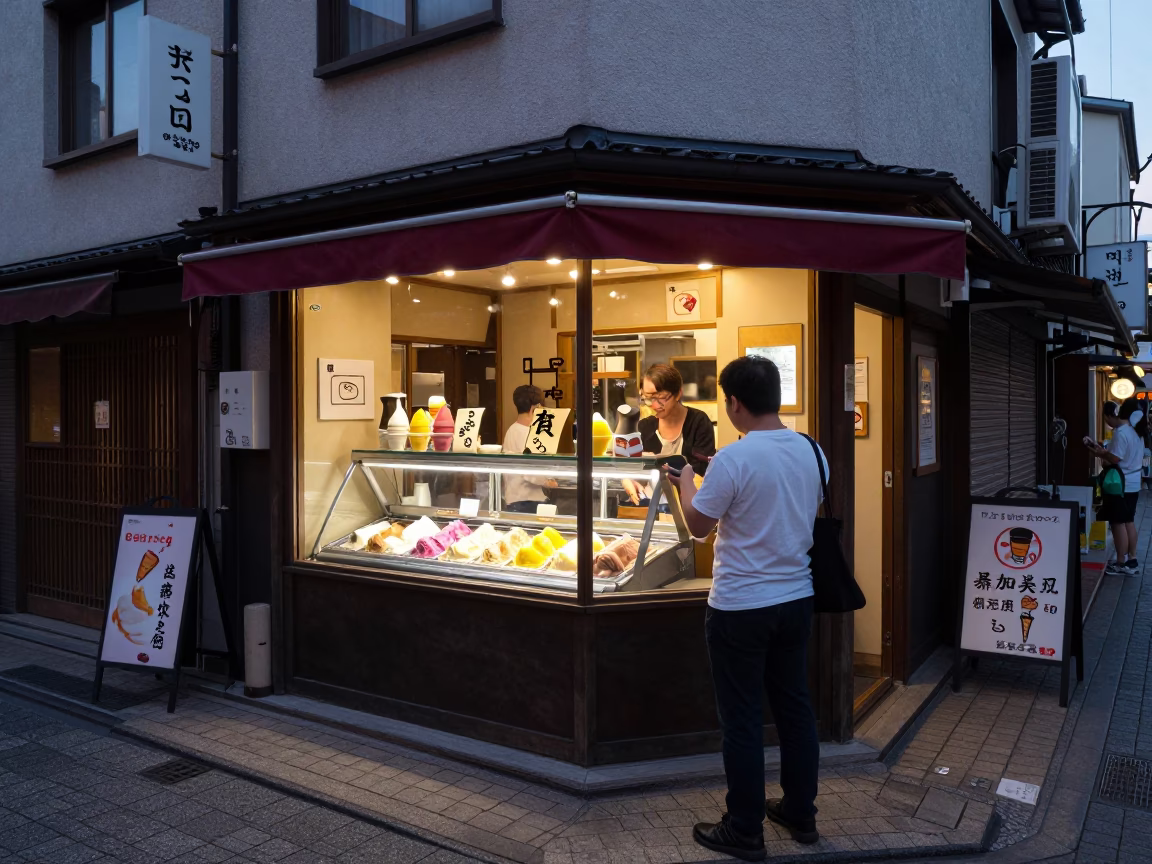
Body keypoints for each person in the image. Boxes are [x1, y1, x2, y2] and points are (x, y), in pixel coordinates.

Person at [669, 355, 824, 859]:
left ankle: (744, 827)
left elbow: (698, 526)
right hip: (796, 598)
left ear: (734, 403)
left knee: (742, 719)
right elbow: (797, 508)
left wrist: (689, 481)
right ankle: (800, 813)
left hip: (740, 607)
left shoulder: (734, 459)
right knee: (796, 710)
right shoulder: (812, 450)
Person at [623, 363, 716, 506]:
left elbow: (702, 472)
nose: (653, 405)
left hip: (690, 507)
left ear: (678, 393)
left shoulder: (699, 422)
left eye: (659, 398)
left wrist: (657, 461)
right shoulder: (645, 426)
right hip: (653, 508)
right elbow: (631, 467)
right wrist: (629, 480)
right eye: (647, 398)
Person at [1086, 398, 1146, 575]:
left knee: (1118, 522)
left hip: (1119, 483)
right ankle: (1131, 560)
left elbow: (1115, 459)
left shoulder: (1121, 432)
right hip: (1133, 482)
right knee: (1128, 521)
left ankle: (1121, 562)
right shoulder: (1137, 431)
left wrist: (1100, 452)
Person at [502, 385, 557, 513]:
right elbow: (529, 470)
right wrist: (548, 481)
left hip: (514, 500)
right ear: (536, 407)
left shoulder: (512, 430)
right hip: (527, 502)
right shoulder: (527, 433)